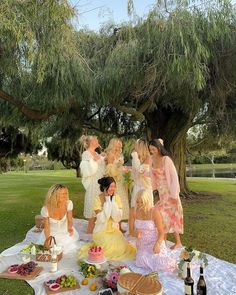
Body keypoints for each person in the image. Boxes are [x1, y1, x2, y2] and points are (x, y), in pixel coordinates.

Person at [78, 176, 136, 261]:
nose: (113, 189)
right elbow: (101, 219)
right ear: (105, 187)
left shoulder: (117, 198)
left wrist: (112, 202)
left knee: (120, 247)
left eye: (114, 186)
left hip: (113, 229)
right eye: (111, 186)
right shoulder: (97, 199)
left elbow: (117, 218)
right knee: (106, 246)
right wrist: (107, 201)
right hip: (101, 230)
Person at [129, 189, 176, 272]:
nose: (139, 205)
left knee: (162, 262)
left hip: (155, 241)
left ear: (147, 202)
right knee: (140, 261)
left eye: (142, 202)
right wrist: (135, 234)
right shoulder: (133, 211)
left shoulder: (154, 212)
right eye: (137, 202)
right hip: (142, 244)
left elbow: (161, 232)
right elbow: (131, 231)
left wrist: (158, 244)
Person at [149, 138, 183, 249]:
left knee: (172, 216)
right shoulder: (151, 160)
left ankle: (177, 242)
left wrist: (174, 195)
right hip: (162, 194)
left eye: (153, 149)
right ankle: (164, 240)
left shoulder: (166, 159)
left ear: (158, 148)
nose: (152, 151)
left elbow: (174, 178)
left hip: (170, 192)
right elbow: (151, 174)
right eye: (150, 149)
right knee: (164, 216)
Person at [38, 184, 79, 252]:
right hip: (52, 233)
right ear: (54, 195)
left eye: (66, 193)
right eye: (62, 194)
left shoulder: (68, 204)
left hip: (65, 230)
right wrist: (47, 239)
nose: (65, 196)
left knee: (68, 244)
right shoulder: (46, 209)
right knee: (51, 246)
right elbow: (47, 228)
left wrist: (70, 228)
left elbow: (70, 220)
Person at [79, 135, 105, 233]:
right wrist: (95, 160)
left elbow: (101, 167)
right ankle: (90, 229)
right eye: (96, 139)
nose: (98, 140)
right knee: (94, 203)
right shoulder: (86, 154)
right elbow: (87, 169)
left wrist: (102, 158)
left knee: (100, 204)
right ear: (91, 142)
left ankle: (98, 228)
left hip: (100, 181)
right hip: (94, 182)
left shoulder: (96, 153)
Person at [105, 138, 129, 220]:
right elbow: (109, 171)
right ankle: (114, 222)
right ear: (113, 145)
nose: (120, 147)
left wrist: (123, 169)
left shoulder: (119, 155)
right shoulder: (110, 155)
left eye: (120, 145)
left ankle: (119, 222)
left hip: (120, 180)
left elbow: (119, 168)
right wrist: (118, 165)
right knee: (115, 201)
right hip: (114, 181)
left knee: (121, 200)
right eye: (118, 145)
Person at [131, 139, 153, 208]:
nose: (134, 147)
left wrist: (134, 155)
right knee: (136, 209)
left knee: (146, 209)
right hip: (137, 186)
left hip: (145, 188)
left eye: (136, 145)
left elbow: (139, 170)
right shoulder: (137, 158)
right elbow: (135, 172)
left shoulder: (149, 158)